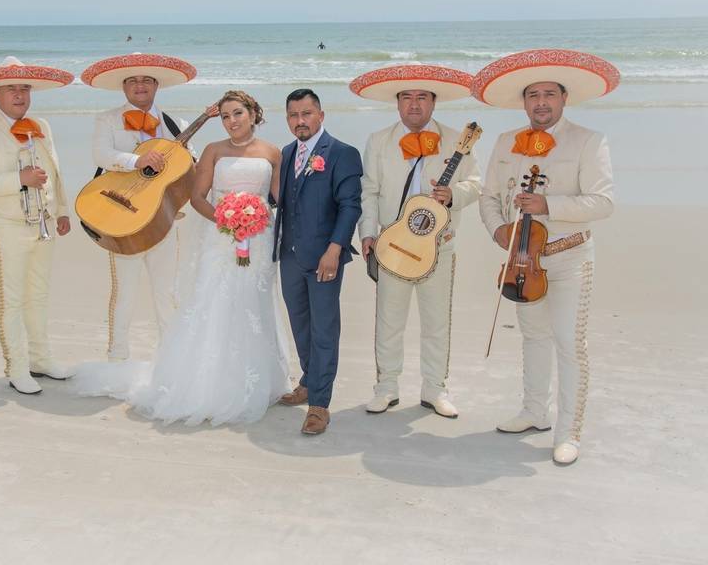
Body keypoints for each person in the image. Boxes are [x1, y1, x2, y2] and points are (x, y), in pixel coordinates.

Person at [71, 91, 291, 425]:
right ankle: (201, 381)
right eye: (226, 116)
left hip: (259, 239)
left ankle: (261, 380)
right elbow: (196, 196)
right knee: (213, 301)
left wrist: (260, 218)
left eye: (238, 114)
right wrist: (225, 219)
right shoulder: (212, 150)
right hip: (221, 237)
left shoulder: (274, 152)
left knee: (254, 304)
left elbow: (279, 198)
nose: (232, 121)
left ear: (253, 113)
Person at [473, 48, 618, 465]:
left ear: (563, 99)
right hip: (522, 259)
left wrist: (548, 205)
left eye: (549, 94)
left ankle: (568, 430)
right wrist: (498, 228)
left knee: (570, 343)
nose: (541, 102)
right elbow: (488, 197)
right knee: (533, 336)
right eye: (533, 95)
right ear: (524, 102)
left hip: (570, 257)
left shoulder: (590, 140)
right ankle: (534, 411)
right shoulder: (505, 142)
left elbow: (603, 202)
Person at [351, 65, 481, 418]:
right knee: (389, 320)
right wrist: (367, 234)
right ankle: (386, 387)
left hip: (440, 246)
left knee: (437, 321)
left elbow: (476, 182)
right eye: (406, 97)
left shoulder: (458, 140)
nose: (414, 104)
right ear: (397, 104)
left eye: (421, 97)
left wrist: (453, 193)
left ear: (433, 102)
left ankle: (435, 389)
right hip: (392, 245)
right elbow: (369, 191)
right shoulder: (379, 140)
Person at [0, 57, 75, 395]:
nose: (19, 95)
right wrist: (19, 179)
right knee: (12, 300)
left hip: (45, 224)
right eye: (11, 89)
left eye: (24, 88)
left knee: (39, 295)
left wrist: (62, 209)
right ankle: (16, 367)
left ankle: (41, 359)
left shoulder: (42, 127)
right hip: (8, 227)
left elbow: (55, 170)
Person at [80, 53, 197, 360]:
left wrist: (178, 193)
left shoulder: (177, 124)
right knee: (124, 295)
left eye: (146, 80)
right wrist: (137, 161)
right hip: (123, 217)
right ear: (123, 87)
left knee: (166, 293)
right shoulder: (107, 119)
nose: (140, 86)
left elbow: (190, 170)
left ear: (157, 85)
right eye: (132, 80)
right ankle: (117, 359)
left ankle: (171, 360)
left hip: (164, 222)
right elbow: (101, 155)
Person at [274, 88, 363, 435]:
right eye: (294, 115)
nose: (301, 121)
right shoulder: (286, 153)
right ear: (288, 120)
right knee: (300, 325)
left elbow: (350, 206)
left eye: (307, 113)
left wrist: (335, 249)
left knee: (325, 330)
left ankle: (319, 405)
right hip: (289, 256)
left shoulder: (342, 153)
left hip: (325, 257)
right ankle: (309, 382)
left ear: (321, 115)